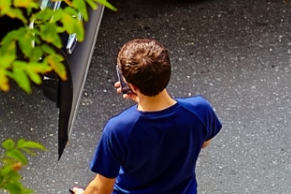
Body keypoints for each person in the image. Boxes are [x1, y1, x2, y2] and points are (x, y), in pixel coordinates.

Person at [71, 38, 221, 194]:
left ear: (133, 86)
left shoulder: (119, 128)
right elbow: (204, 143)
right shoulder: (200, 109)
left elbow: (101, 189)